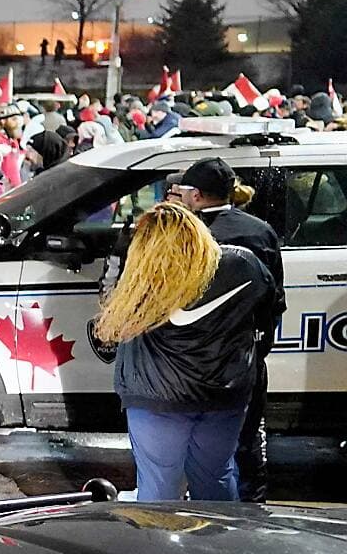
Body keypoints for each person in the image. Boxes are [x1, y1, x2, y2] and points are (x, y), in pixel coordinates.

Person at [90, 202, 275, 502]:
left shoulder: (146, 277)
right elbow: (267, 316)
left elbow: (111, 322)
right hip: (224, 396)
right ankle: (219, 533)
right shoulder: (243, 264)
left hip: (156, 399)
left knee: (159, 488)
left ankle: (163, 534)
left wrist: (115, 259)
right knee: (216, 477)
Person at [166, 157, 285, 501]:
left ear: (196, 195)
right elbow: (274, 301)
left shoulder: (185, 233)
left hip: (191, 363)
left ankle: (196, 514)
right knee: (247, 440)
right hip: (242, 358)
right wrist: (256, 349)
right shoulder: (260, 231)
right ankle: (252, 512)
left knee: (194, 448)